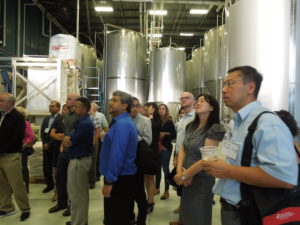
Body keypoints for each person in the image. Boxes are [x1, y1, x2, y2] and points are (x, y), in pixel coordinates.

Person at [202, 66, 298, 225]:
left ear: (250, 87)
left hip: (249, 212)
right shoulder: (238, 123)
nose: (224, 90)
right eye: (223, 85)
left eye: (230, 83)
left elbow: (284, 177)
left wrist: (228, 171)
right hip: (232, 208)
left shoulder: (268, 124)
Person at [174, 94, 225, 225]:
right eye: (197, 100)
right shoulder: (191, 126)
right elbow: (183, 149)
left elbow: (207, 159)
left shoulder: (215, 129)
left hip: (202, 180)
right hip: (186, 177)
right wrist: (179, 172)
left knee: (199, 217)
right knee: (185, 215)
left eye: (203, 101)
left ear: (212, 107)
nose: (198, 102)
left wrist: (185, 175)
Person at [100, 90, 138, 225]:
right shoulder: (121, 123)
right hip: (120, 177)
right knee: (119, 217)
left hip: (119, 180)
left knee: (116, 219)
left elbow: (117, 155)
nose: (110, 102)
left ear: (124, 106)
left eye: (115, 100)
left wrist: (109, 182)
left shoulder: (122, 125)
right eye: (111, 99)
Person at [0, 93, 30, 221]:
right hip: (0, 155)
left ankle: (25, 209)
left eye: (1, 100)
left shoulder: (17, 117)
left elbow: (16, 139)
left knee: (17, 184)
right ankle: (7, 208)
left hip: (10, 155)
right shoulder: (1, 115)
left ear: (9, 103)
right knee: (2, 184)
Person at [63, 98, 94, 225]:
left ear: (85, 108)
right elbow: (67, 140)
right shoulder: (80, 121)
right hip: (77, 159)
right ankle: (78, 220)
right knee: (77, 193)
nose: (73, 108)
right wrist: (67, 139)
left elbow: (70, 141)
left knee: (77, 195)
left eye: (76, 106)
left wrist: (67, 139)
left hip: (79, 161)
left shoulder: (85, 123)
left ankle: (79, 222)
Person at [48, 93, 80, 216]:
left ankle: (72, 207)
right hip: (64, 153)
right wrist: (62, 144)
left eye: (69, 99)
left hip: (74, 154)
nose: (67, 101)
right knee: (60, 178)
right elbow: (64, 133)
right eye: (67, 99)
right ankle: (62, 203)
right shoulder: (65, 116)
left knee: (72, 182)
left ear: (77, 102)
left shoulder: (79, 116)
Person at [170, 92, 195, 224]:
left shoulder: (195, 117)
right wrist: (176, 155)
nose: (183, 100)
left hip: (189, 157)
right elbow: (179, 139)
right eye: (181, 98)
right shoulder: (183, 117)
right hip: (180, 155)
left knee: (189, 187)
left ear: (194, 101)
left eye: (187, 98)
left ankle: (186, 218)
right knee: (182, 186)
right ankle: (183, 216)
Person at [130, 97, 152, 225]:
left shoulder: (145, 121)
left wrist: (132, 136)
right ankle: (130, 216)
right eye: (132, 105)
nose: (134, 108)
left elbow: (148, 140)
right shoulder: (122, 120)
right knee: (127, 192)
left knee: (139, 192)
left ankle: (142, 219)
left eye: (137, 105)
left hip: (138, 160)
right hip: (125, 161)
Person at [41, 101, 62, 194]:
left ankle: (57, 187)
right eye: (50, 106)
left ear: (58, 108)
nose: (50, 108)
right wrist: (44, 142)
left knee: (54, 166)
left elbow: (59, 133)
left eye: (53, 106)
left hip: (55, 146)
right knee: (46, 166)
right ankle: (49, 184)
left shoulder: (60, 118)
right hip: (46, 146)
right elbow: (42, 131)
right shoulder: (46, 118)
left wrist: (49, 143)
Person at [156, 104, 176, 200]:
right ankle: (157, 188)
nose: (161, 110)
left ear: (166, 110)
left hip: (166, 148)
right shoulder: (155, 121)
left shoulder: (169, 122)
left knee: (165, 169)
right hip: (156, 148)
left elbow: (174, 135)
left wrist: (164, 134)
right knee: (157, 169)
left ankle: (166, 191)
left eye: (163, 109)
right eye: (159, 108)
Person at [143, 102, 161, 213]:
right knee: (145, 177)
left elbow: (154, 128)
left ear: (153, 109)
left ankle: (150, 201)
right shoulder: (143, 119)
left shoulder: (156, 121)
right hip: (143, 151)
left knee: (150, 177)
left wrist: (149, 116)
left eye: (147, 108)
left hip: (152, 151)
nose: (145, 109)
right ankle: (147, 199)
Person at [16, 107, 35, 193]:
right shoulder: (11, 123)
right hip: (12, 149)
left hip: (22, 149)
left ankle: (25, 187)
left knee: (23, 168)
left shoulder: (26, 124)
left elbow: (30, 136)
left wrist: (25, 144)